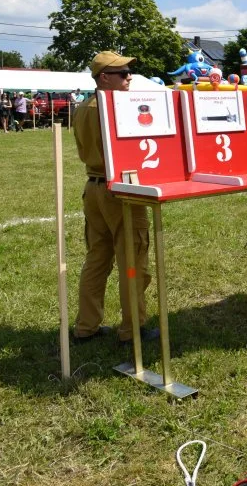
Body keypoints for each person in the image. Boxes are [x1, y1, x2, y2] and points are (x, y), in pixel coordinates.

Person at [71, 51, 158, 345]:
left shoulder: (83, 106)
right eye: (123, 73)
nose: (129, 77)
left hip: (94, 189)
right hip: (120, 191)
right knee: (133, 262)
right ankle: (133, 328)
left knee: (97, 259)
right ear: (105, 77)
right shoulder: (112, 109)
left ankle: (86, 326)